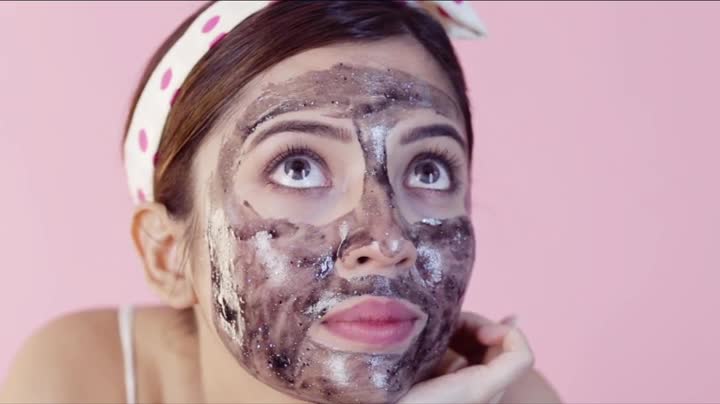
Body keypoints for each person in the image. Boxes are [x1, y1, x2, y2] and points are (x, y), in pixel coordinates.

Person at [1, 1, 563, 403]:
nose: (388, 240)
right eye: (298, 168)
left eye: (428, 170)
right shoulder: (79, 378)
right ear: (166, 254)